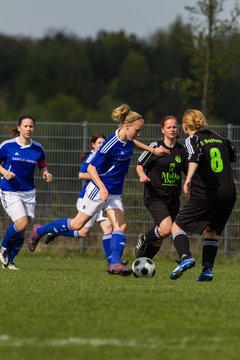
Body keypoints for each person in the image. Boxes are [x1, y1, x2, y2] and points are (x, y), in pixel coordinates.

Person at [28, 103, 170, 276]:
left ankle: (115, 264)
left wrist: (153, 150)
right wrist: (102, 188)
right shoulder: (110, 144)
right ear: (126, 126)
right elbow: (90, 169)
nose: (138, 133)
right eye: (137, 130)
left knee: (121, 225)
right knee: (77, 225)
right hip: (98, 190)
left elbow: (134, 143)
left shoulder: (128, 139)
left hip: (114, 192)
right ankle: (40, 230)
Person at [169, 109, 236, 282]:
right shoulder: (222, 138)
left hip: (208, 193)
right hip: (229, 193)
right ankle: (207, 271)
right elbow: (232, 154)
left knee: (177, 226)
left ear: (184, 126)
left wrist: (189, 179)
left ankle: (185, 257)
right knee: (211, 231)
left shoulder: (193, 139)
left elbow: (195, 156)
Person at [45, 134, 119, 266]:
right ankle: (55, 230)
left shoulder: (106, 155)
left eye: (104, 143)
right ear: (93, 145)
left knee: (108, 227)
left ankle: (112, 262)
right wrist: (99, 178)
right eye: (99, 143)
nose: (102, 145)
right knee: (82, 231)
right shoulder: (92, 157)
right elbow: (81, 174)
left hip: (103, 196)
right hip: (89, 197)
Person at [0, 115, 53, 270]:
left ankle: (10, 261)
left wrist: (46, 174)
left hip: (29, 191)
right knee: (21, 224)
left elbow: (42, 165)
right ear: (19, 128)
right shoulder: (7, 146)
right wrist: (4, 172)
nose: (29, 129)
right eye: (26, 126)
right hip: (10, 190)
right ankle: (3, 248)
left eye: (31, 126)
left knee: (23, 228)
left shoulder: (38, 148)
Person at [135, 115, 187, 260]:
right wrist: (142, 176)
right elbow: (140, 165)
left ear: (177, 130)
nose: (172, 129)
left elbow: (188, 171)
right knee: (166, 228)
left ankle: (144, 261)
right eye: (168, 127)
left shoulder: (182, 151)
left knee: (161, 234)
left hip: (173, 197)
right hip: (155, 196)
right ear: (163, 130)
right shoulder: (155, 146)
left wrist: (189, 183)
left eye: (174, 127)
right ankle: (144, 237)